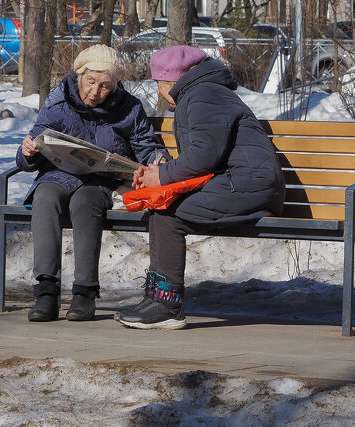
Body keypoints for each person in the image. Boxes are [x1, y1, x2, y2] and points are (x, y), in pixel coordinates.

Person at [116, 45, 284, 330]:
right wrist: (161, 173)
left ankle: (167, 304)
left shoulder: (203, 95)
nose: (158, 91)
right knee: (161, 208)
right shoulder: (202, 93)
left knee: (169, 214)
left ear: (173, 80)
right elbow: (205, 155)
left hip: (249, 184)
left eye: (159, 83)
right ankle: (157, 297)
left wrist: (164, 175)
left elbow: (205, 155)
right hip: (241, 181)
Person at [16, 44, 168, 323]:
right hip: (58, 175)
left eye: (105, 86)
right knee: (45, 197)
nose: (95, 92)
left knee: (85, 203)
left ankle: (85, 293)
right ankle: (46, 293)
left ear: (114, 86)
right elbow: (31, 150)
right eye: (91, 82)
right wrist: (28, 151)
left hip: (102, 181)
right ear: (80, 75)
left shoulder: (130, 109)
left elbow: (147, 147)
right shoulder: (58, 101)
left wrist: (158, 162)